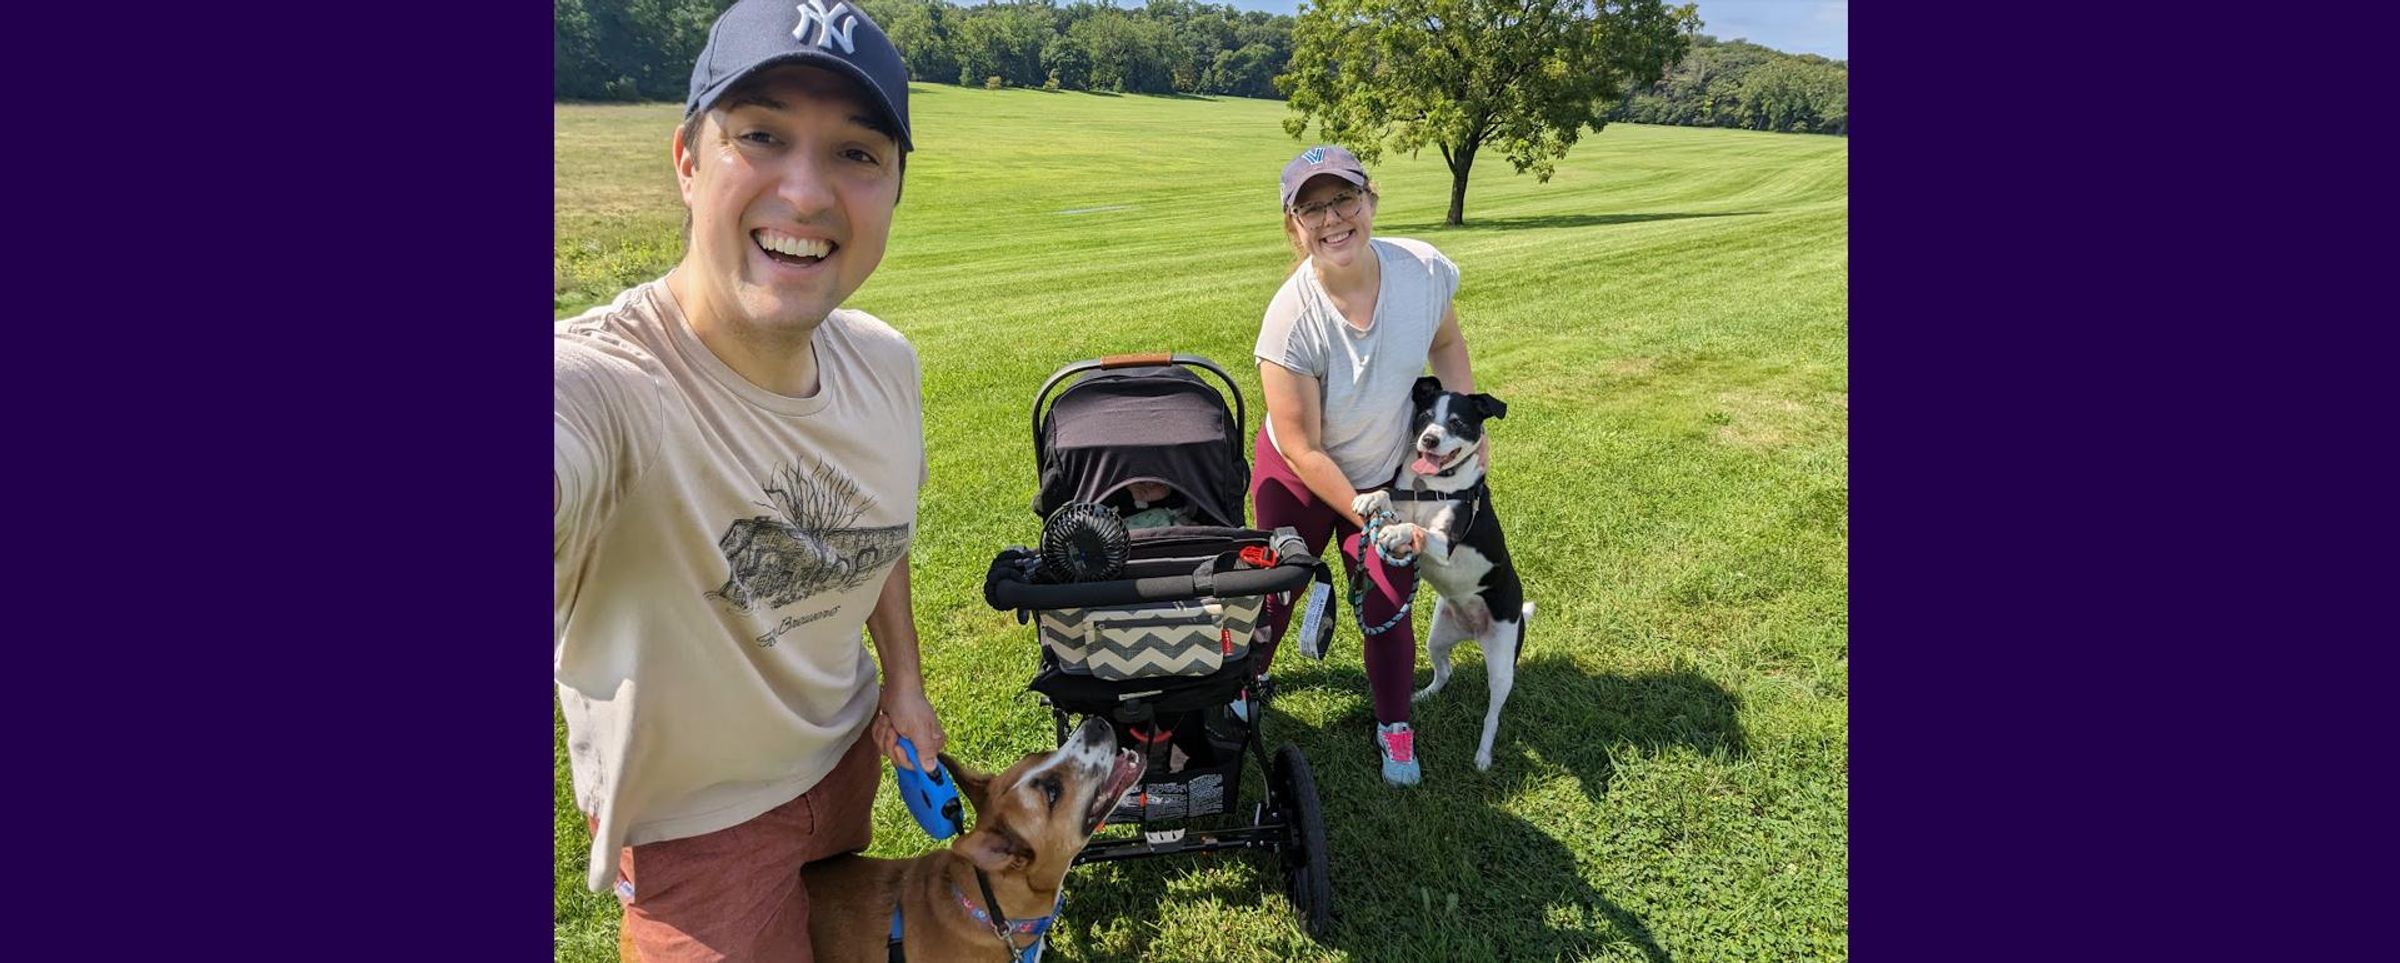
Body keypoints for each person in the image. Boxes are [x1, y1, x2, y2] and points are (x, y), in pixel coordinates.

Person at [552, 2, 943, 959]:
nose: (806, 193)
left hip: (846, 762)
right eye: (761, 135)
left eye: (856, 153)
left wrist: (904, 680)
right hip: (698, 839)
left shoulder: (885, 363)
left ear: (893, 189)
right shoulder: (608, 386)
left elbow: (875, 533)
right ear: (687, 160)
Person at [1248, 145, 1488, 787]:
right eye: (1311, 208)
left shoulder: (1424, 271)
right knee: (1278, 584)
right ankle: (1250, 679)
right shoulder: (1289, 319)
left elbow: (1444, 342)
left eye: (1344, 200)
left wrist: (1468, 428)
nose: (1332, 220)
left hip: (1385, 468)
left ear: (1370, 201)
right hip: (1298, 475)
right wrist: (1365, 509)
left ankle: (1393, 724)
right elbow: (1301, 446)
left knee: (1388, 592)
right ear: (1293, 228)